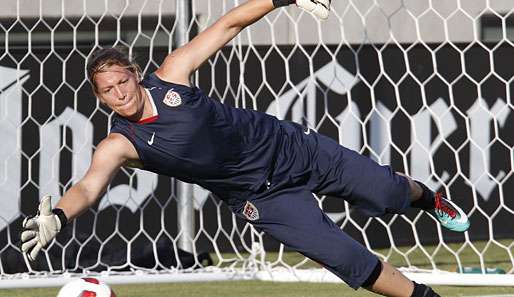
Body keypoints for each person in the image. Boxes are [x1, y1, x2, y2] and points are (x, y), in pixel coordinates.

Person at [20, 0, 469, 296]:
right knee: (344, 257)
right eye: (108, 91)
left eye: (123, 82)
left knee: (389, 195)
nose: (120, 93)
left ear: (136, 74)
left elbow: (229, 23)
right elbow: (88, 187)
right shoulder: (118, 144)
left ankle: (429, 198)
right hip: (259, 197)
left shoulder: (173, 72)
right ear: (99, 99)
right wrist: (57, 217)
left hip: (290, 148)